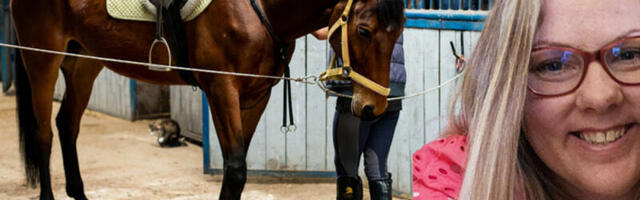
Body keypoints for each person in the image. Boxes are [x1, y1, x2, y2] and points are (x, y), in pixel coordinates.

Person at [413, 0, 640, 199]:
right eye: (554, 65)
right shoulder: (453, 180)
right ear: (507, 92)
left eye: (629, 55)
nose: (600, 97)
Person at [312, 27, 406, 200]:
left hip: (357, 93)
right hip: (392, 93)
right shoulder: (394, 5)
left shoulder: (354, 5)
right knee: (377, 169)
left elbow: (320, 32)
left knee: (347, 168)